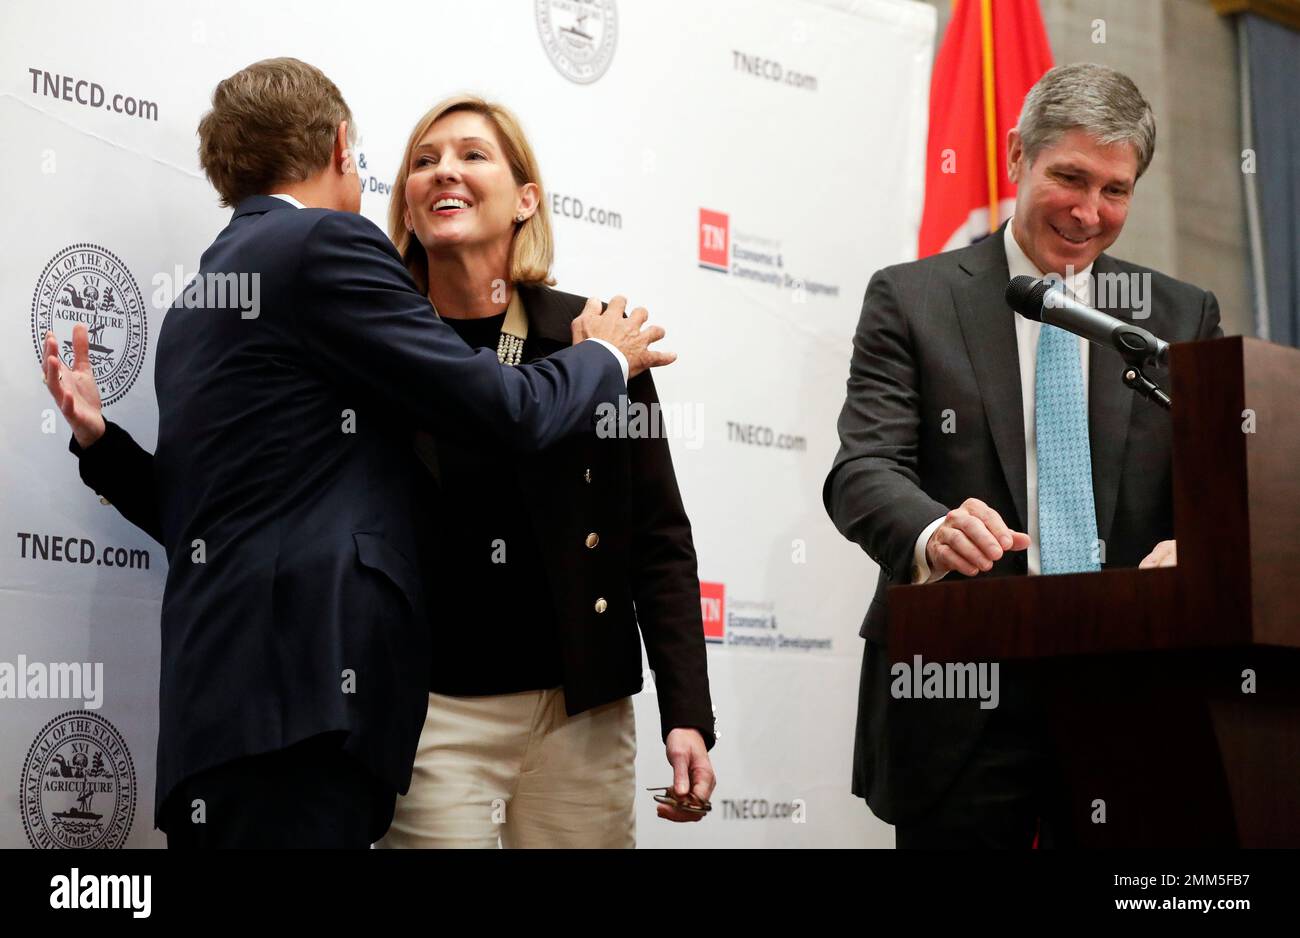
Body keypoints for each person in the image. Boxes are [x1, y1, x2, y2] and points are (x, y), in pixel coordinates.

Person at [40, 57, 673, 848]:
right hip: (303, 716)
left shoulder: (199, 299)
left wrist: (102, 447)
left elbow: (200, 520)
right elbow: (506, 410)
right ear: (343, 147)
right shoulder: (325, 242)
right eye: (419, 158)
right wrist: (605, 356)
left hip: (221, 728)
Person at [823, 63, 1223, 848]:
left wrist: (1201, 545)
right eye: (1069, 177)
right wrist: (933, 531)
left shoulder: (1176, 317)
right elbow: (863, 470)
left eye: (1115, 190)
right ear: (1017, 155)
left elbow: (1218, 489)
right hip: (962, 688)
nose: (1088, 212)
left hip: (1129, 688)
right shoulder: (913, 298)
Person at [371, 95, 715, 849]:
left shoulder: (598, 339)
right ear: (406, 204)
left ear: (525, 199)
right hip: (432, 714)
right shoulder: (377, 343)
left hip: (580, 714)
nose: (443, 171)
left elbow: (658, 537)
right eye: (424, 161)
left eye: (471, 154)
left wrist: (687, 713)